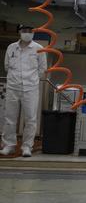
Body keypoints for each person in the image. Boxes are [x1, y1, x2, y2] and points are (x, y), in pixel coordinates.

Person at [1, 25, 47, 157]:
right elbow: (6, 66)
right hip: (13, 87)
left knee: (31, 119)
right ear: (20, 32)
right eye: (25, 31)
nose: (27, 33)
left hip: (30, 88)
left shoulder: (39, 48)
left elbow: (42, 69)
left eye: (30, 31)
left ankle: (27, 147)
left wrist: (31, 79)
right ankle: (8, 145)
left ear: (33, 33)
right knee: (9, 118)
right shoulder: (11, 47)